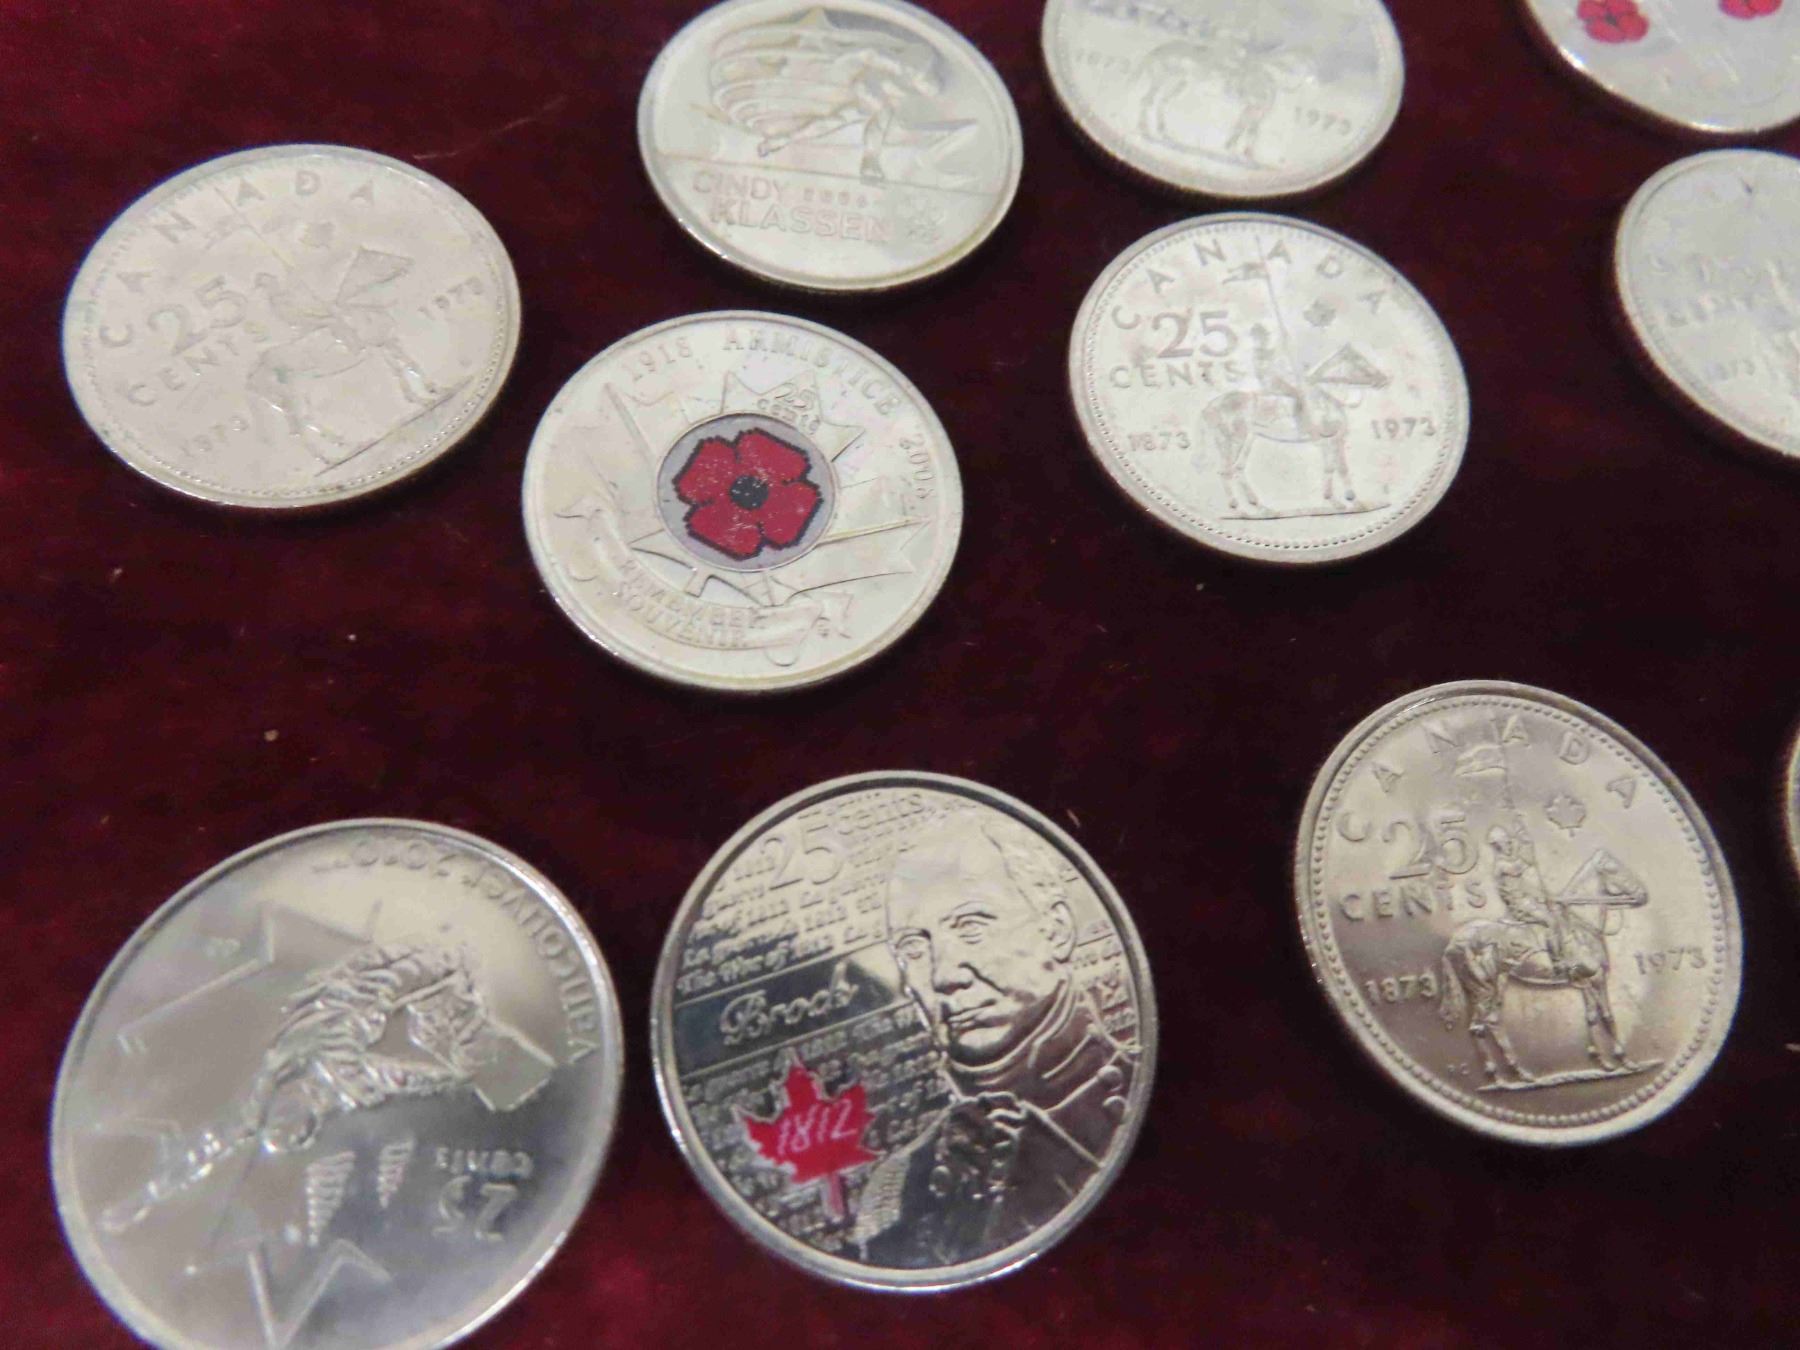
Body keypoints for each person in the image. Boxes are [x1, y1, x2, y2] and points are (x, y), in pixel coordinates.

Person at [851, 815, 1136, 1267]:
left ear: (1057, 930)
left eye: (971, 928)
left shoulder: (1146, 1092)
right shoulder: (898, 1190)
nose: (944, 975)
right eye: (914, 949)